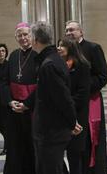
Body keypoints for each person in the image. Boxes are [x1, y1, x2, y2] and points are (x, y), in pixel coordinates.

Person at [29, 21, 81, 174]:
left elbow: (63, 98)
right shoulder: (50, 60)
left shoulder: (49, 64)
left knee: (49, 169)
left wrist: (72, 122)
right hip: (50, 129)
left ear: (36, 40)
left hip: (51, 130)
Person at [65, 20, 107, 174]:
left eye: (72, 30)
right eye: (67, 31)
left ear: (81, 32)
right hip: (73, 102)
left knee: (91, 140)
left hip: (91, 101)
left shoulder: (93, 48)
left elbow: (103, 76)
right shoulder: (66, 52)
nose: (69, 33)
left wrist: (83, 89)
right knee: (75, 140)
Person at [1, 22, 38, 174]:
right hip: (14, 108)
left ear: (31, 36)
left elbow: (43, 84)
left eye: (26, 35)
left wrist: (27, 104)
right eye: (19, 35)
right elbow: (4, 82)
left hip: (33, 108)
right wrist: (10, 101)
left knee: (32, 144)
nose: (23, 38)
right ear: (16, 37)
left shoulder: (38, 55)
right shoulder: (14, 55)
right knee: (15, 144)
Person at [58, 38, 91, 174]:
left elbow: (83, 93)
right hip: (61, 114)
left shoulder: (82, 65)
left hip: (77, 114)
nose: (58, 48)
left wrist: (67, 105)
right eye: (58, 45)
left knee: (74, 153)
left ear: (70, 48)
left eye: (62, 46)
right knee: (58, 152)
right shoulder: (58, 64)